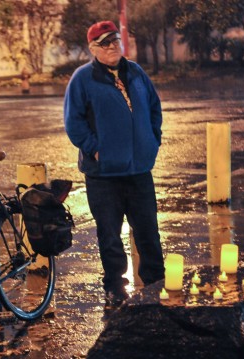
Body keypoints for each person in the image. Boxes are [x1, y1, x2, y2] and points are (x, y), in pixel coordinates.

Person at [63, 20, 165, 307]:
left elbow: (155, 108)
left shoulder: (136, 72)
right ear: (93, 48)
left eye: (116, 41)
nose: (112, 47)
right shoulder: (83, 78)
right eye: (105, 43)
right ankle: (115, 290)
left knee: (148, 232)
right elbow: (74, 123)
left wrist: (152, 141)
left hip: (139, 170)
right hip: (103, 174)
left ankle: (156, 284)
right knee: (109, 235)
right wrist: (96, 150)